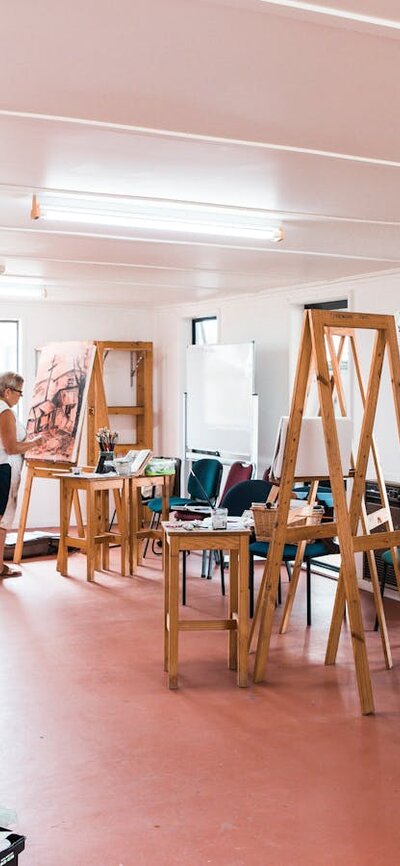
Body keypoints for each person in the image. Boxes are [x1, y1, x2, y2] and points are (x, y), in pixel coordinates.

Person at [0, 372, 42, 578]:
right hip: (4, 469)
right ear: (7, 391)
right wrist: (35, 443)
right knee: (2, 520)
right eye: (18, 393)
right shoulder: (5, 412)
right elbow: (11, 447)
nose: (19, 397)